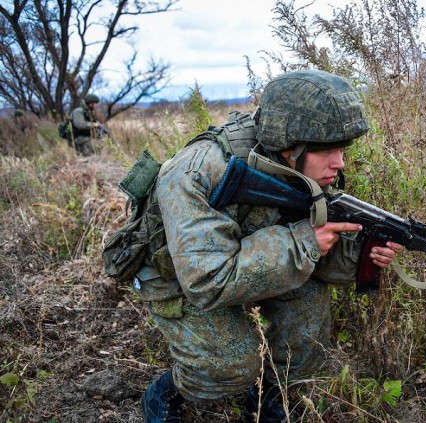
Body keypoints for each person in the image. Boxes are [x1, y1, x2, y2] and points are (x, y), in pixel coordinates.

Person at [138, 70, 404, 423]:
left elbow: (320, 261)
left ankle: (270, 398)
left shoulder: (302, 166)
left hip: (246, 259)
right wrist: (304, 241)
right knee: (232, 363)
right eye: (328, 151)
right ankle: (168, 390)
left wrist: (359, 254)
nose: (339, 163)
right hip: (176, 276)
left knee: (308, 324)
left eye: (342, 149)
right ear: (290, 146)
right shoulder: (198, 171)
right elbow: (205, 281)